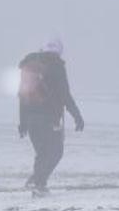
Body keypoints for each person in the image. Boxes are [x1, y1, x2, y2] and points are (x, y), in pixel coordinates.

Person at [18, 38, 84, 197]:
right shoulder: (56, 66)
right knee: (55, 152)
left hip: (32, 118)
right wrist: (77, 116)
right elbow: (64, 94)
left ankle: (36, 183)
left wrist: (23, 122)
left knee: (42, 152)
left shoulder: (30, 66)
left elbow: (22, 96)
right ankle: (38, 184)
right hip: (50, 118)